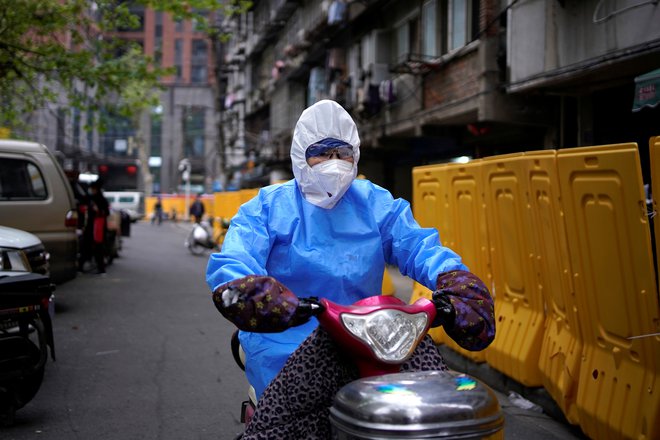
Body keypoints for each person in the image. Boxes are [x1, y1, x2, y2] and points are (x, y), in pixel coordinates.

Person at [206, 100, 495, 404]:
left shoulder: (375, 202)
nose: (334, 162)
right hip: (287, 337)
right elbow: (235, 260)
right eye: (321, 153)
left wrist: (452, 277)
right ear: (300, 156)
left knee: (427, 403)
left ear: (355, 156)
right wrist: (250, 292)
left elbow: (418, 246)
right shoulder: (266, 207)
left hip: (371, 337)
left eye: (342, 153)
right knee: (291, 419)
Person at [80, 180, 109, 275]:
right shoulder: (90, 198)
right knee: (87, 247)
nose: (91, 190)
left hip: (97, 228)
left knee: (97, 248)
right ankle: (82, 267)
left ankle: (101, 269)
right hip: (91, 227)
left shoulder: (101, 200)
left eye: (93, 189)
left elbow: (106, 213)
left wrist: (98, 210)